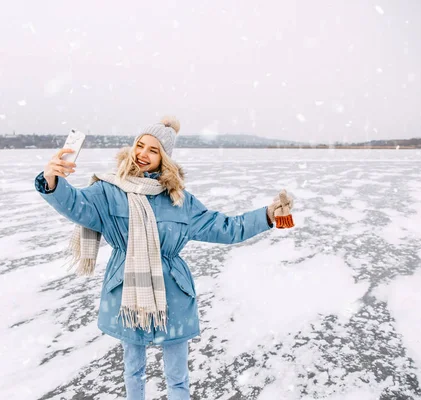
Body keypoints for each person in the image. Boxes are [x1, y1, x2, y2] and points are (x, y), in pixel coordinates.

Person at [34, 116, 293, 400]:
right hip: (127, 292)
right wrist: (52, 179)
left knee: (178, 378)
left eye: (153, 150)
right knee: (133, 371)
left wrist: (268, 215)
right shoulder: (109, 191)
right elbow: (75, 205)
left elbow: (227, 228)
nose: (143, 154)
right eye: (140, 145)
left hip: (174, 295)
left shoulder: (180, 200)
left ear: (164, 158)